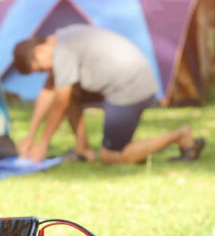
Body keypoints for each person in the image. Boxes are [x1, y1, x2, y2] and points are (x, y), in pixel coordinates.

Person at [13, 24, 205, 164]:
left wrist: (43, 143)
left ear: (39, 51)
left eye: (38, 69)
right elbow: (48, 91)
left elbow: (60, 103)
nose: (43, 72)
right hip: (125, 80)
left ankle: (180, 135)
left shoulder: (62, 51)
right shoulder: (61, 37)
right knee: (70, 94)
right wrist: (31, 136)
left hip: (129, 86)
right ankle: (83, 149)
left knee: (111, 156)